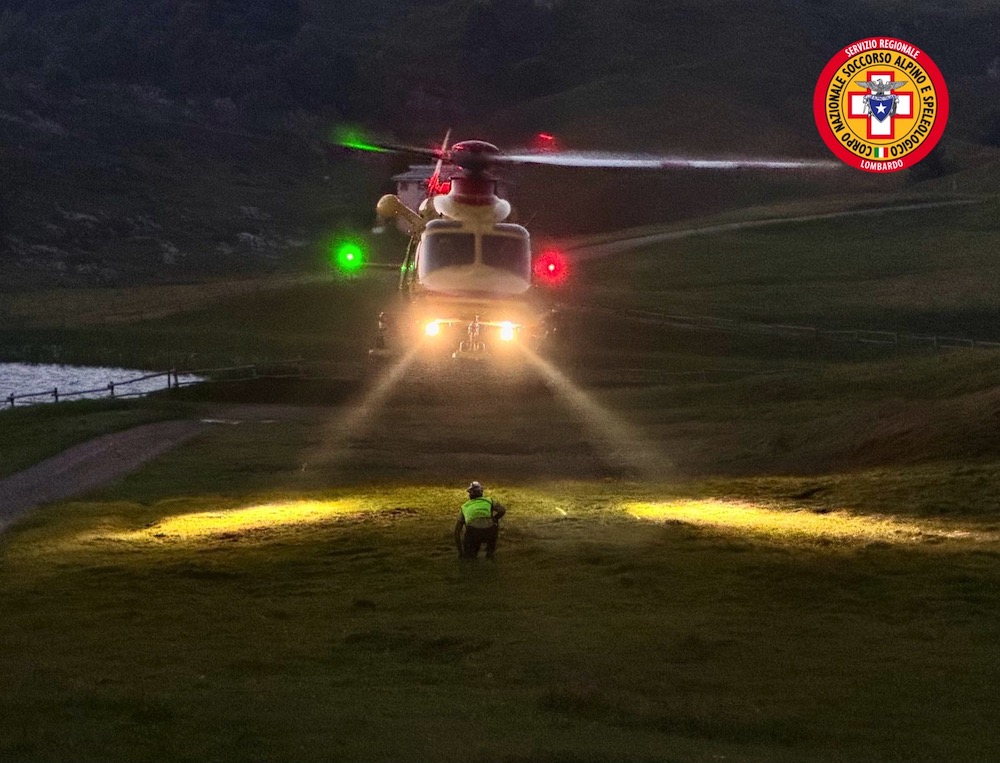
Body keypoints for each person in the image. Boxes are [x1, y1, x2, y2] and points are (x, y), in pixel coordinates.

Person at [454, 481, 506, 559]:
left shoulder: (464, 506)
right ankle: (490, 553)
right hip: (490, 530)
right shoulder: (489, 500)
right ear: (481, 492)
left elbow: (457, 531)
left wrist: (461, 552)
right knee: (494, 524)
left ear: (470, 493)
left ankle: (470, 557)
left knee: (469, 559)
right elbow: (502, 510)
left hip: (473, 531)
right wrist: (494, 519)